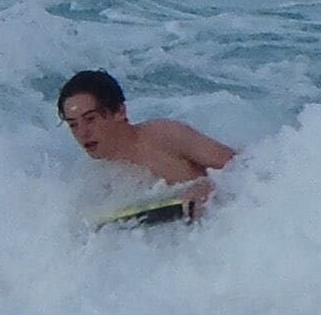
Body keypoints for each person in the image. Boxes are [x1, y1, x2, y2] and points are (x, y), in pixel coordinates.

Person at [55, 69, 236, 218]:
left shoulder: (164, 136)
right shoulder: (96, 178)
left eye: (90, 119)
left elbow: (244, 168)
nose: (82, 133)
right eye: (73, 125)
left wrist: (209, 187)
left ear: (119, 111)